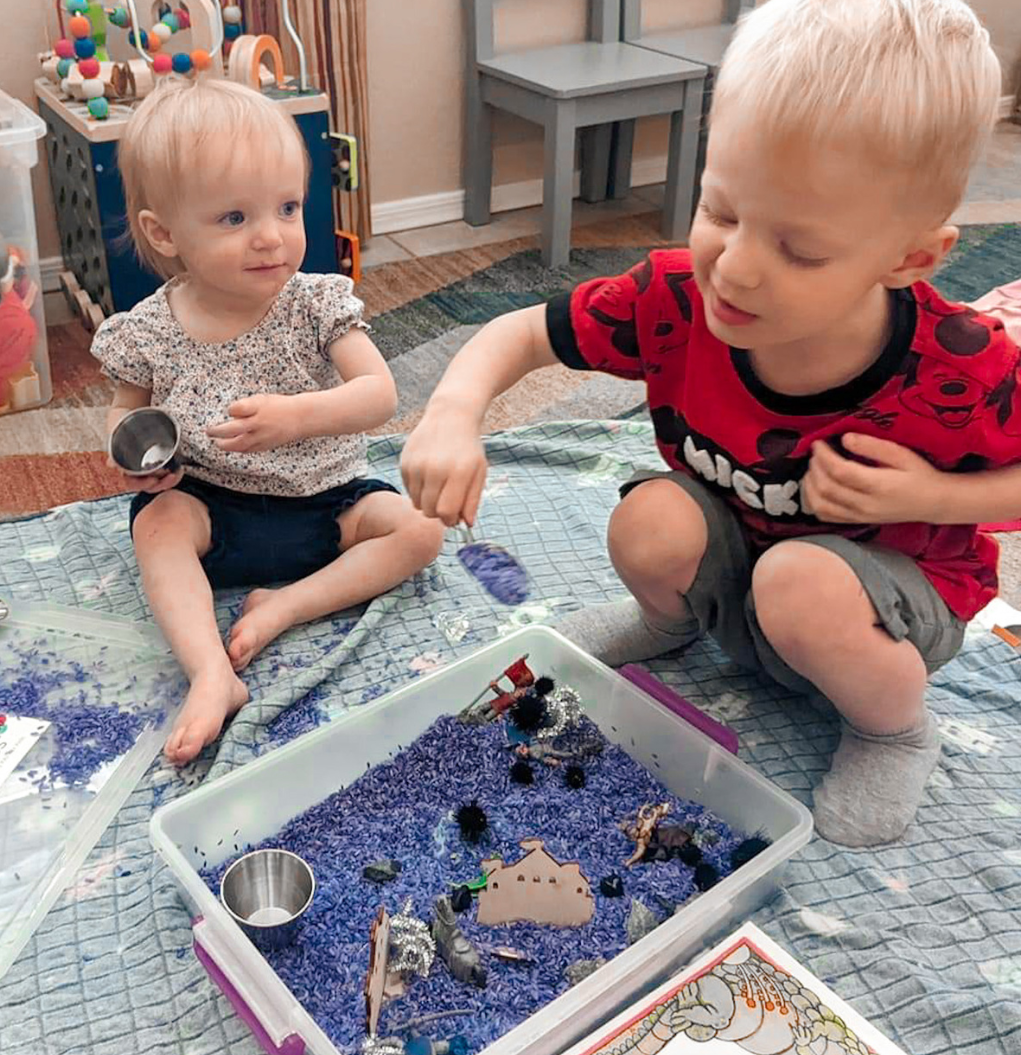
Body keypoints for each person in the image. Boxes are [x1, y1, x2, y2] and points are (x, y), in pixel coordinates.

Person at [400, 0, 1021, 846]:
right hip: (744, 576)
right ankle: (672, 624)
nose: (736, 267)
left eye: (799, 250)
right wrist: (451, 414)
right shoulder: (676, 300)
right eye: (722, 210)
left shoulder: (958, 363)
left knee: (799, 583)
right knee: (649, 518)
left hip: (885, 613)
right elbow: (517, 336)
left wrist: (929, 494)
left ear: (909, 258)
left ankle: (892, 728)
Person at [94, 78, 443, 765]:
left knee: (420, 529)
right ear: (164, 233)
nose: (271, 237)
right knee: (155, 525)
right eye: (233, 219)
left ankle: (286, 606)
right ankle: (211, 674)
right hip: (213, 504)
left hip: (326, 504)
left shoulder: (314, 303)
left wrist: (299, 417)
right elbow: (123, 413)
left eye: (287, 207)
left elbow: (379, 392)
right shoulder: (147, 330)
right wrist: (130, 454)